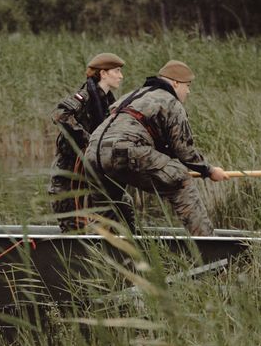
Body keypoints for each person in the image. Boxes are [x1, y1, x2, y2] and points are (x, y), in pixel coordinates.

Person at [83, 60, 229, 235]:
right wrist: (210, 171)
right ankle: (208, 242)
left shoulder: (133, 95)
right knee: (181, 179)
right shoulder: (170, 102)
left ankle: (103, 249)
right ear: (175, 83)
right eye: (187, 85)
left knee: (108, 205)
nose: (188, 91)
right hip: (126, 150)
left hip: (93, 153)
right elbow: (185, 150)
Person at [47, 52, 125, 230]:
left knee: (110, 218)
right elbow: (60, 115)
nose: (121, 76)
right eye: (117, 71)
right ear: (103, 73)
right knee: (73, 227)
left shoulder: (108, 102)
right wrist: (89, 140)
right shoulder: (85, 96)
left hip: (91, 174)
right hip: (69, 175)